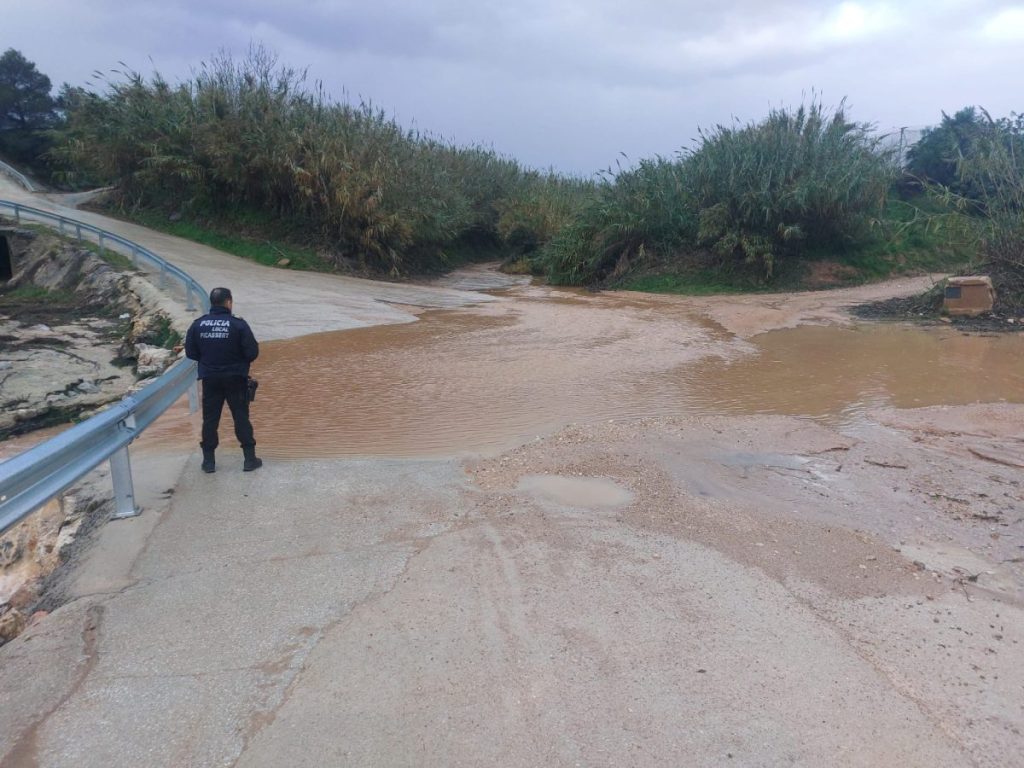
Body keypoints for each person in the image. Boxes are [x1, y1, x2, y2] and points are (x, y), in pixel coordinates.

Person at [184, 287, 262, 473]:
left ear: (212, 303)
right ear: (229, 302)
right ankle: (249, 460)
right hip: (236, 378)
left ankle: (208, 462)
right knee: (241, 417)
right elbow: (252, 352)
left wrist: (210, 360)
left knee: (210, 420)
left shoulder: (198, 325)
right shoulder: (238, 324)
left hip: (210, 379)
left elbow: (191, 352)